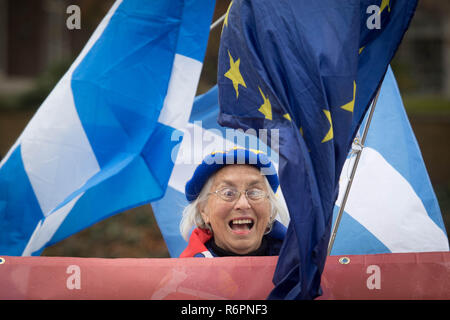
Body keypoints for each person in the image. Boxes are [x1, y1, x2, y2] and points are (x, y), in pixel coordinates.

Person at [179, 147, 289, 258]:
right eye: (228, 193)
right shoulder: (182, 274)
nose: (243, 204)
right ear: (203, 211)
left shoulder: (302, 267)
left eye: (255, 193)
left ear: (269, 207)